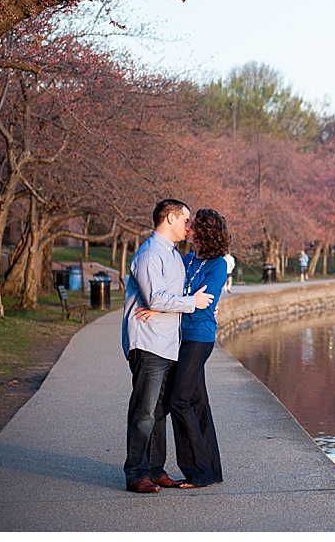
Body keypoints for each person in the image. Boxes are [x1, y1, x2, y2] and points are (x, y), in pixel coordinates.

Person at [121, 199, 213, 494]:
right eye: (185, 220)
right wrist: (191, 304)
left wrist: (167, 307)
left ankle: (155, 469)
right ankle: (136, 473)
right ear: (170, 218)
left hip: (167, 343)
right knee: (144, 410)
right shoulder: (150, 255)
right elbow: (156, 298)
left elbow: (162, 300)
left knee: (159, 411)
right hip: (148, 342)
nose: (188, 227)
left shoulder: (172, 255)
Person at [168, 208, 229, 488]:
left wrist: (185, 300)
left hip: (199, 337)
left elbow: (206, 301)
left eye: (192, 225)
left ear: (203, 231)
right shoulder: (187, 259)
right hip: (180, 334)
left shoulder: (218, 265)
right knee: (197, 403)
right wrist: (185, 300)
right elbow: (182, 297)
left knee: (179, 400)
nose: (187, 228)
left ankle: (198, 472)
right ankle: (211, 471)